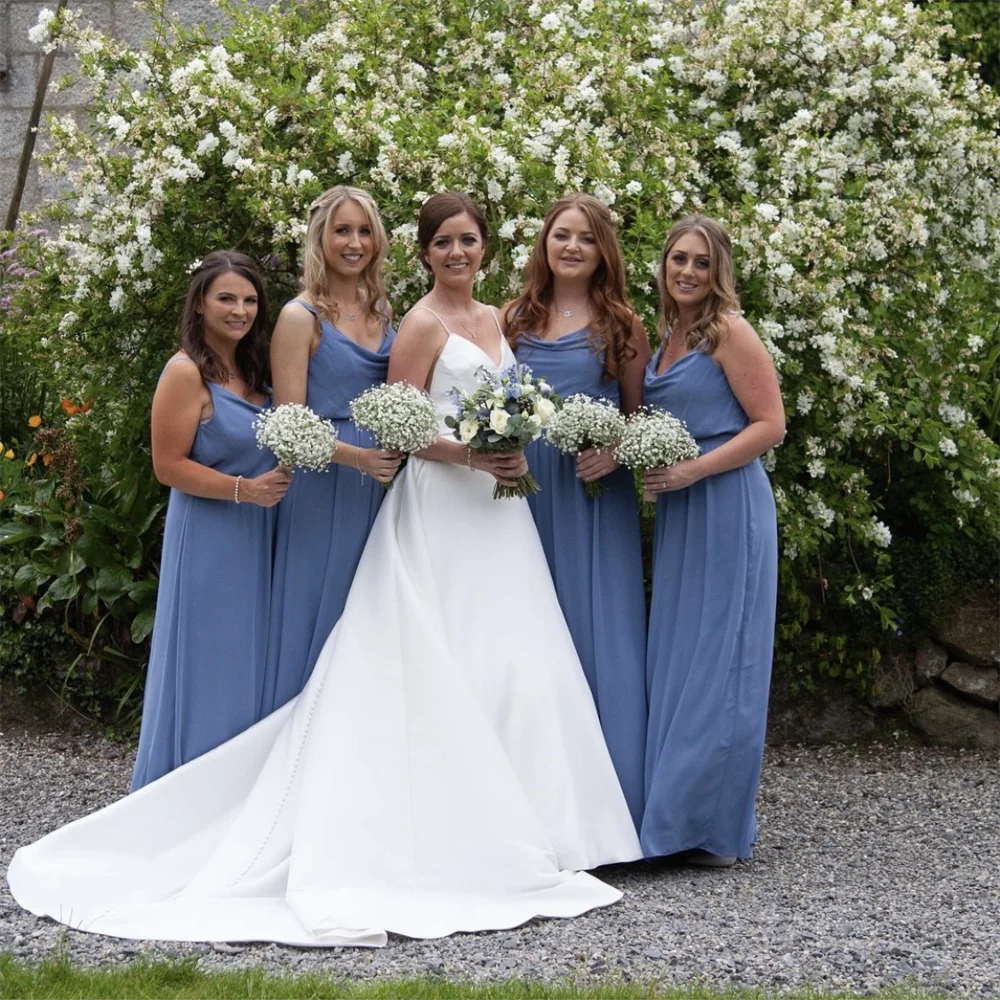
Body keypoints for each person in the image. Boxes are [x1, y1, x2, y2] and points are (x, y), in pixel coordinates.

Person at [7, 194, 641, 947]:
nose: (457, 253)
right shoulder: (404, 321)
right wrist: (471, 451)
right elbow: (399, 421)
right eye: (443, 242)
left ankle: (547, 824)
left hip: (500, 513)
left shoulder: (497, 322)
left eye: (468, 241)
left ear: (485, 248)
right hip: (428, 497)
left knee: (514, 657)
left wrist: (516, 436)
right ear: (424, 251)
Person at [641, 215, 785, 866]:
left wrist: (694, 469)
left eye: (701, 262)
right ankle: (674, 816)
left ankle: (707, 827)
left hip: (726, 502)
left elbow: (770, 425)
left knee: (721, 662)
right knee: (679, 653)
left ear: (718, 269)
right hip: (681, 510)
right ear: (664, 265)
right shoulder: (667, 334)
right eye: (679, 259)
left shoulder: (730, 331)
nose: (688, 271)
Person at [505, 193, 650, 830]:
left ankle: (616, 802)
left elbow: (640, 419)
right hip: (525, 494)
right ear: (544, 243)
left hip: (592, 494)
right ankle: (534, 800)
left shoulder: (621, 324)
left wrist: (615, 453)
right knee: (528, 628)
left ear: (602, 252)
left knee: (599, 625)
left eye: (585, 239)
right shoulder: (514, 318)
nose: (570, 247)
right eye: (560, 235)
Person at [130, 250, 291, 791]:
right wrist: (244, 490)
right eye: (226, 298)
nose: (240, 310)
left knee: (253, 662)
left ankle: (239, 795)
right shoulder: (184, 372)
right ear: (200, 303)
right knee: (212, 662)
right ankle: (190, 793)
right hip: (211, 537)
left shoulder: (257, 366)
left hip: (263, 533)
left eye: (249, 300)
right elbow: (167, 465)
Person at [260, 186, 402, 716]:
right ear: (321, 237)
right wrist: (358, 456)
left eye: (364, 231)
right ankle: (290, 735)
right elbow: (287, 425)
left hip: (380, 486)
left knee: (366, 615)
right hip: (323, 484)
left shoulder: (382, 308)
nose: (355, 242)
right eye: (343, 230)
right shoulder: (302, 317)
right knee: (315, 613)